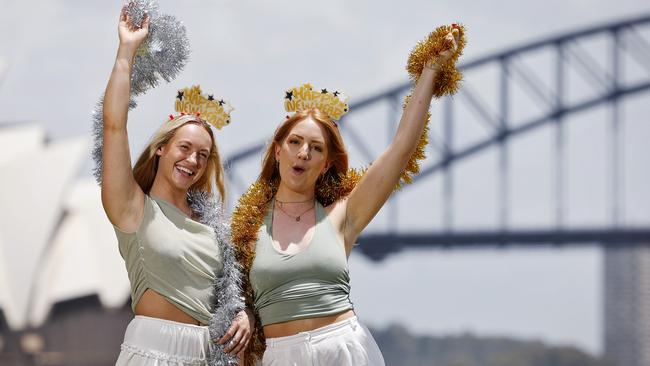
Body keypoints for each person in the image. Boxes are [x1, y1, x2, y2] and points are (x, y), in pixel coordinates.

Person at [232, 25, 463, 365]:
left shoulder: (342, 214)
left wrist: (430, 70)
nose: (303, 153)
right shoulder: (246, 229)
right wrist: (247, 315)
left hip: (342, 350)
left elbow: (400, 151)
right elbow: (231, 299)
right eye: (295, 142)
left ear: (325, 164)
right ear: (278, 151)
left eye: (315, 148)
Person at [101, 6, 251, 365]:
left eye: (203, 154)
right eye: (185, 148)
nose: (193, 161)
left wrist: (241, 314)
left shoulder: (213, 227)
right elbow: (113, 126)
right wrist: (127, 50)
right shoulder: (133, 208)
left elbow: (224, 292)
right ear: (161, 148)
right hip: (153, 351)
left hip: (206, 355)